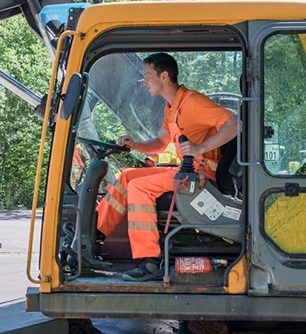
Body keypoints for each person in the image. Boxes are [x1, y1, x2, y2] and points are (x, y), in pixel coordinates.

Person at [97, 53, 239, 282]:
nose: (144, 81)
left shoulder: (193, 101)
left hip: (200, 174)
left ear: (164, 76)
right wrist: (135, 145)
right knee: (126, 177)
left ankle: (150, 261)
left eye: (147, 75)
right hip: (187, 169)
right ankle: (95, 235)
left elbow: (235, 124)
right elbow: (161, 143)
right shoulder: (172, 107)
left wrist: (200, 148)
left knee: (140, 187)